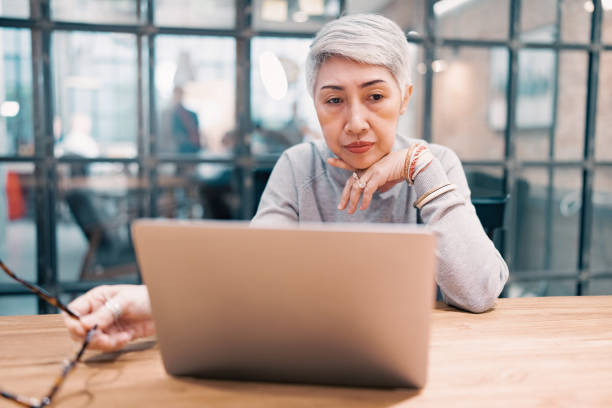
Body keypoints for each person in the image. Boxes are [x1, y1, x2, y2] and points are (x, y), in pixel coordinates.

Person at [64, 14, 509, 351]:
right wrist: (158, 305)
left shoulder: (438, 164)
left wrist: (421, 169)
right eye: (334, 100)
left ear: (404, 98)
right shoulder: (298, 167)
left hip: (427, 360)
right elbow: (251, 279)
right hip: (305, 354)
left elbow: (479, 293)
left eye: (375, 96)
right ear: (316, 107)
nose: (355, 122)